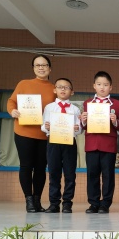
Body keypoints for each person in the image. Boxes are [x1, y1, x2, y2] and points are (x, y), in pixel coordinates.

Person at [7, 54, 55, 213]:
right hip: (23, 132)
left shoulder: (54, 88)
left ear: (50, 68)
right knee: (26, 166)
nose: (41, 68)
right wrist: (12, 111)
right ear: (33, 68)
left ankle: (37, 200)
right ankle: (28, 200)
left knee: (41, 168)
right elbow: (11, 101)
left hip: (44, 134)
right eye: (37, 65)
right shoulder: (24, 84)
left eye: (44, 65)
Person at [80, 71, 119, 214]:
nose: (102, 87)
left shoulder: (117, 104)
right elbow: (84, 126)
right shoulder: (87, 103)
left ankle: (105, 204)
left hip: (108, 145)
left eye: (105, 85)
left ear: (111, 87)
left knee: (108, 175)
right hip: (92, 144)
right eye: (99, 84)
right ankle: (93, 203)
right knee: (92, 174)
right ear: (94, 86)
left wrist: (115, 121)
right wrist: (83, 120)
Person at [41, 78, 82, 213]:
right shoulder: (49, 107)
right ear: (55, 90)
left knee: (70, 174)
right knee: (54, 173)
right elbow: (43, 126)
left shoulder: (75, 109)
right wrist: (46, 127)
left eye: (66, 87)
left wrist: (77, 128)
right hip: (53, 142)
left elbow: (80, 130)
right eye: (60, 87)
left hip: (69, 142)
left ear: (72, 92)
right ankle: (54, 203)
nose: (63, 89)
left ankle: (67, 203)